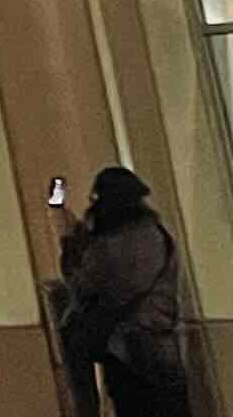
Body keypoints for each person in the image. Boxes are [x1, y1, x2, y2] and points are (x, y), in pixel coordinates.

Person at [61, 166, 191, 417]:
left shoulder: (109, 245)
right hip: (162, 344)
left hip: (125, 350)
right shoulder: (158, 234)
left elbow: (83, 285)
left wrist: (73, 250)